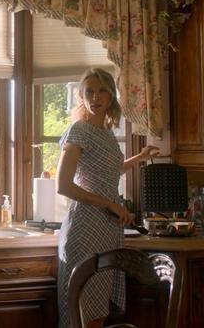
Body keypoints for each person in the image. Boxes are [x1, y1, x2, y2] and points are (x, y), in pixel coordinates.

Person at [56, 68, 160, 328]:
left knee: (99, 311)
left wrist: (139, 158)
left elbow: (107, 171)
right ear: (81, 95)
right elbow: (63, 186)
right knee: (83, 313)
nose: (95, 97)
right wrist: (110, 204)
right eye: (89, 91)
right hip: (85, 227)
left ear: (111, 96)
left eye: (102, 90)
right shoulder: (78, 130)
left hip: (107, 228)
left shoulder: (105, 131)